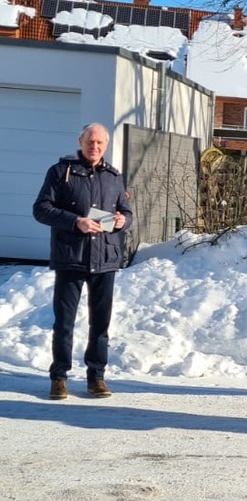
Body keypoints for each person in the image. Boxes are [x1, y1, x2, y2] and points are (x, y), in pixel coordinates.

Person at [33, 123, 133, 400]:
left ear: (106, 145)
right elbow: (41, 209)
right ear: (80, 141)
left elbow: (125, 211)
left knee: (100, 324)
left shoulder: (114, 176)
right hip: (71, 259)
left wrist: (124, 220)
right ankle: (59, 377)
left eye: (101, 143)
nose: (95, 147)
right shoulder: (60, 172)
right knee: (64, 322)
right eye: (91, 141)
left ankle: (96, 377)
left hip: (105, 260)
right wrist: (76, 222)